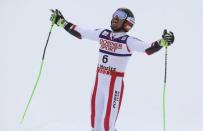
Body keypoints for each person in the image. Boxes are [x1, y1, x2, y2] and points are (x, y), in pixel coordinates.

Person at [50, 8, 174, 131]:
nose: (115, 17)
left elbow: (147, 48)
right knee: (95, 122)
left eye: (120, 15)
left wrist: (162, 42)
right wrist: (62, 22)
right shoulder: (103, 34)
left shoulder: (128, 41)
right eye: (115, 14)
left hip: (114, 84)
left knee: (107, 124)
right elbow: (82, 32)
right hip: (99, 81)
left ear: (127, 23)